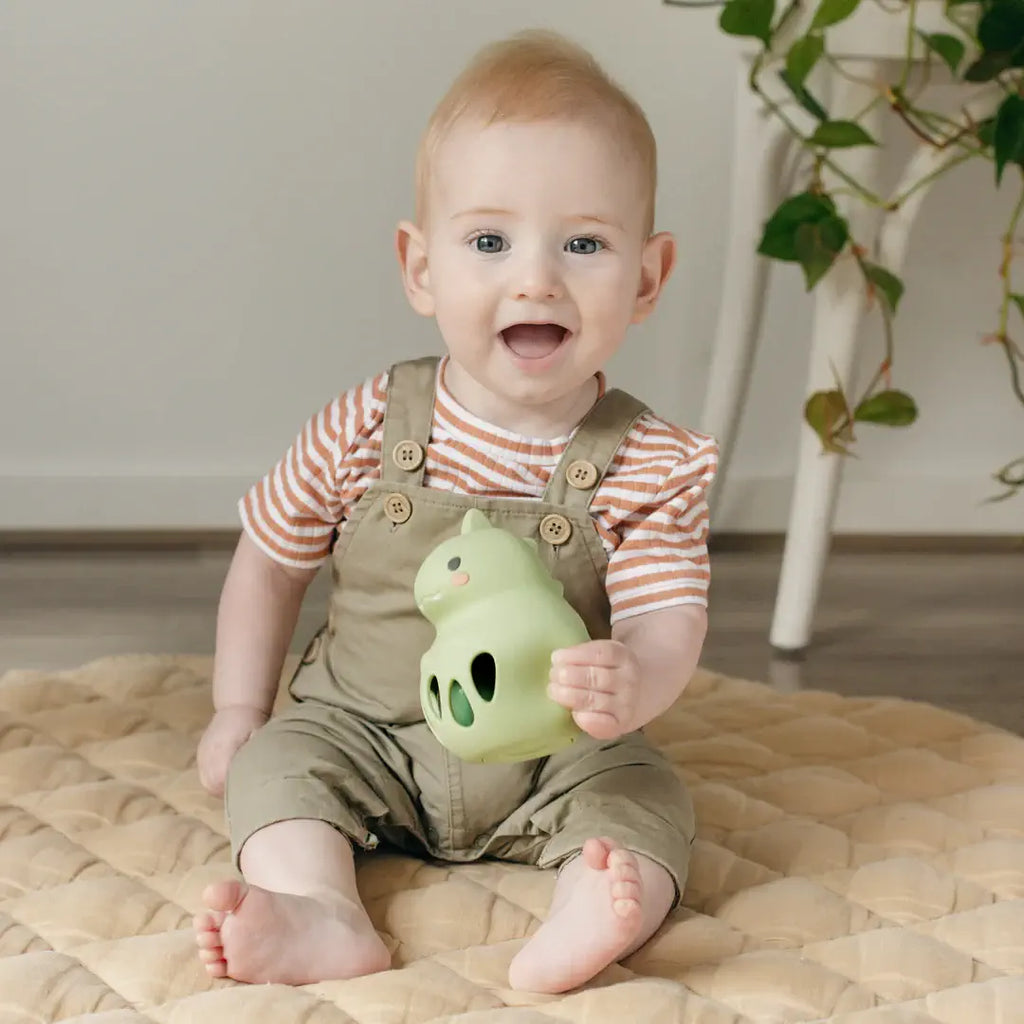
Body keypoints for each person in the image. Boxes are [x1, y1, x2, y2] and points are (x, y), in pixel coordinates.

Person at [192, 28, 717, 995]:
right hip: (365, 732)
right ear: (421, 265)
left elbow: (667, 614)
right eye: (489, 242)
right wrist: (238, 708)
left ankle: (593, 909)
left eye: (584, 244)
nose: (536, 278)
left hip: (556, 754)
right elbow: (269, 560)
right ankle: (317, 909)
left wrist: (637, 677)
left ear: (646, 277)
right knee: (277, 768)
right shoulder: (367, 424)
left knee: (644, 799)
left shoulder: (651, 462)